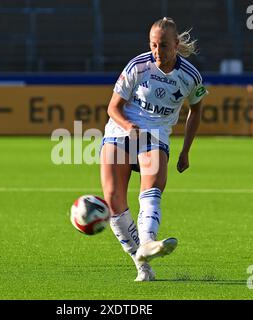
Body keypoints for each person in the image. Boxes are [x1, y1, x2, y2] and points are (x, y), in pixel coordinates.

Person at [99, 17, 208, 281]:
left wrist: (186, 150)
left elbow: (196, 110)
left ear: (176, 44)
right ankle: (143, 265)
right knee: (114, 200)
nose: (158, 52)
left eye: (164, 45)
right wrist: (127, 125)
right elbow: (113, 107)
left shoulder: (191, 76)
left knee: (151, 189)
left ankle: (148, 241)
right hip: (121, 130)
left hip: (155, 134)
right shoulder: (138, 66)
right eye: (154, 45)